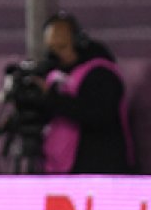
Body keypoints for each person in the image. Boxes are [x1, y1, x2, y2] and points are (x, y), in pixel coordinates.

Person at [38, 12, 135, 173]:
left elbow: (97, 113)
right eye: (52, 49)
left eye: (62, 47)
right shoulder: (55, 72)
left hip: (100, 166)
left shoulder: (101, 73)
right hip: (66, 167)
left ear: (78, 42)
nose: (57, 55)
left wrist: (52, 99)